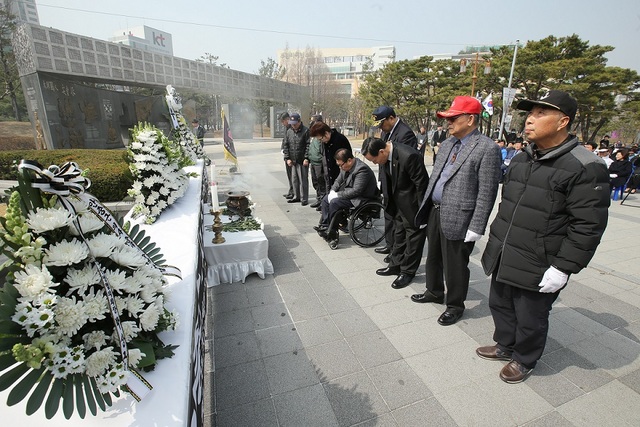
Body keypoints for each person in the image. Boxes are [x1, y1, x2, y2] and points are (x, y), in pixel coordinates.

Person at [479, 90, 610, 384]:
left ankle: (525, 359)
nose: (530, 120)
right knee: (500, 303)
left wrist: (564, 267)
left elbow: (588, 225)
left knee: (530, 317)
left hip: (541, 258)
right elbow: (509, 204)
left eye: (540, 114)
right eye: (529, 113)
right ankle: (505, 345)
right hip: (505, 249)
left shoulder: (585, 166)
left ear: (563, 121)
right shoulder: (522, 157)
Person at [412, 96, 501, 326]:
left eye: (453, 118)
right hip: (436, 210)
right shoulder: (448, 144)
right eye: (446, 118)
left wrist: (477, 226)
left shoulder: (486, 148)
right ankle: (433, 291)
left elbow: (487, 191)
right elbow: (437, 178)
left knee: (455, 265)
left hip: (461, 216)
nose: (448, 123)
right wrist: (425, 207)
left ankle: (455, 305)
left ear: (470, 119)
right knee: (433, 257)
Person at [362, 137, 429, 289]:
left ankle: (407, 272)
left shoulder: (409, 156)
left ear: (381, 151)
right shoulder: (385, 157)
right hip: (398, 204)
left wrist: (422, 213)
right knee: (398, 235)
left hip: (412, 206)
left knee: (413, 241)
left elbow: (422, 186)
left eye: (374, 160)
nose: (375, 163)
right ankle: (395, 265)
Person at [371, 106, 418, 257]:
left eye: (382, 124)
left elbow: (405, 162)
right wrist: (380, 180)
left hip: (399, 184)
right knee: (389, 214)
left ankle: (398, 250)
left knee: (400, 220)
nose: (381, 128)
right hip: (387, 180)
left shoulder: (405, 133)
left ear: (391, 118)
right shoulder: (386, 132)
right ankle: (390, 244)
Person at [314, 148, 379, 248]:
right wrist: (332, 191)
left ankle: (333, 231)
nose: (340, 167)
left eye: (341, 165)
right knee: (326, 199)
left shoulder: (362, 169)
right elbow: (338, 181)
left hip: (362, 198)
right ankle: (325, 225)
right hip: (351, 194)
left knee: (335, 203)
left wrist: (337, 195)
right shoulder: (345, 166)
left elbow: (356, 191)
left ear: (349, 160)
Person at [309, 122, 352, 211]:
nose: (321, 141)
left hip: (341, 174)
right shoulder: (326, 142)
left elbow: (347, 160)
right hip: (330, 174)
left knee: (339, 200)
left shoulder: (339, 140)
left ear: (326, 133)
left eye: (321, 139)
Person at [283, 113, 310, 206]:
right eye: (292, 123)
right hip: (292, 159)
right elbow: (286, 145)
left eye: (295, 123)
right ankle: (296, 196)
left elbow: (308, 145)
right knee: (294, 179)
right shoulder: (289, 131)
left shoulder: (306, 131)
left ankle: (304, 198)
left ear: (299, 121)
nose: (293, 125)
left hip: (302, 159)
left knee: (303, 180)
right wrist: (287, 158)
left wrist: (306, 158)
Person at [307, 115, 326, 208]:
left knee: (321, 182)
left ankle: (323, 201)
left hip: (319, 162)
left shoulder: (322, 133)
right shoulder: (313, 132)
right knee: (315, 182)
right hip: (313, 161)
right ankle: (319, 199)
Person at [279, 112, 294, 199]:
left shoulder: (292, 128)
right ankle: (291, 190)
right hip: (287, 154)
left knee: (293, 175)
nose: (282, 123)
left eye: (283, 121)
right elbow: (284, 140)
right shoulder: (287, 128)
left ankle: (294, 192)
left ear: (287, 119)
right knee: (289, 174)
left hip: (292, 155)